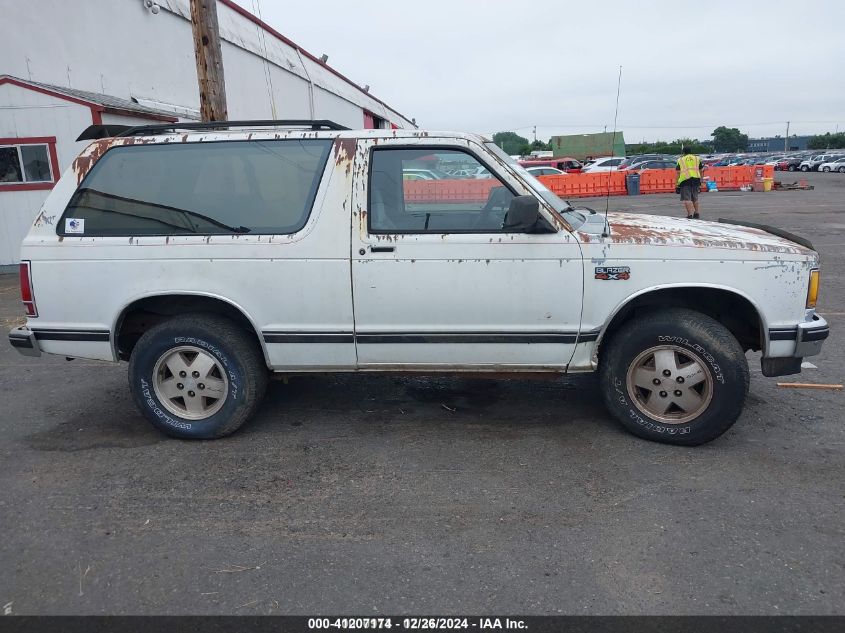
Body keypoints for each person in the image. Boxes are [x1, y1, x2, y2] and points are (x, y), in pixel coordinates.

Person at [676, 147, 703, 219]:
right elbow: (701, 170)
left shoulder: (680, 159)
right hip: (696, 179)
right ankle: (696, 213)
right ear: (691, 151)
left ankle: (689, 214)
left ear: (683, 152)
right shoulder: (697, 158)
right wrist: (701, 180)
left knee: (687, 199)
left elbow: (678, 172)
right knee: (695, 198)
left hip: (685, 180)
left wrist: (677, 183)